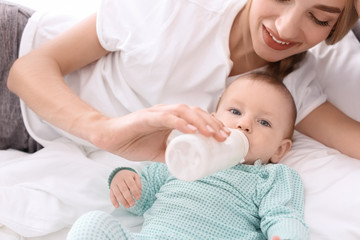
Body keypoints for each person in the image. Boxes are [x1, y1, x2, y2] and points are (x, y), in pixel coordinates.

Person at [1, 0, 360, 162]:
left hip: (36, 140)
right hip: (14, 47)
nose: (285, 28)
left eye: (318, 18)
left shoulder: (290, 79)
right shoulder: (180, 8)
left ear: (335, 29)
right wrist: (103, 130)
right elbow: (27, 70)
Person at [66, 72, 309, 240]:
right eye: (235, 111)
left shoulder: (271, 176)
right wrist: (127, 180)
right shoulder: (186, 153)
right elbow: (141, 200)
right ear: (212, 120)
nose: (243, 124)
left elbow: (283, 214)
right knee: (93, 223)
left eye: (264, 122)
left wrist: (286, 234)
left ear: (279, 150)